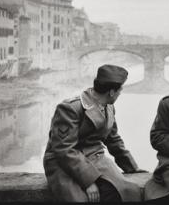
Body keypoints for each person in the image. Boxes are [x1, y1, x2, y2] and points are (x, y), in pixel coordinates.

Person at [43, 64, 146, 202]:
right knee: (79, 200)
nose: (120, 93)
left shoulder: (108, 107)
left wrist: (132, 168)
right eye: (120, 90)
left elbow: (113, 139)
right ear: (111, 92)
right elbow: (64, 149)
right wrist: (88, 181)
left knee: (126, 192)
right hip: (63, 162)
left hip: (94, 157)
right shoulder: (70, 108)